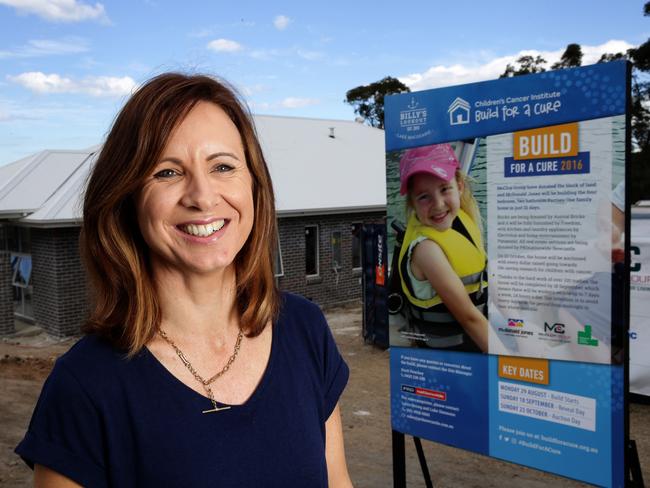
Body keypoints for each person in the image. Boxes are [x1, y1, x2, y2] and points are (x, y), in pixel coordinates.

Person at [15, 73, 352, 487]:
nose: (203, 197)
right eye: (167, 173)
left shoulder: (305, 330)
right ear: (127, 200)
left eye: (223, 166)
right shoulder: (84, 386)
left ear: (254, 185)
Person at [397, 143, 488, 353]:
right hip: (453, 360)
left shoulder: (463, 220)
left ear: (460, 185)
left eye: (444, 189)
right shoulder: (427, 251)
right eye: (423, 196)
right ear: (412, 203)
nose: (438, 204)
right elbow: (469, 318)